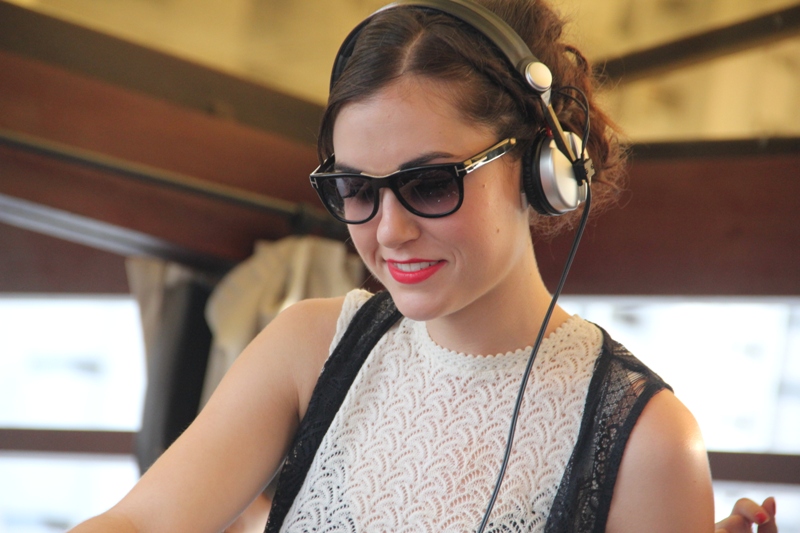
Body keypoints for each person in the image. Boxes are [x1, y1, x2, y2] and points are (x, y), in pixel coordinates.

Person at [70, 0, 779, 531]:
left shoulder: (648, 444)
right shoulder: (309, 348)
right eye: (356, 189)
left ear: (541, 170)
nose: (390, 231)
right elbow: (141, 522)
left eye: (432, 184)